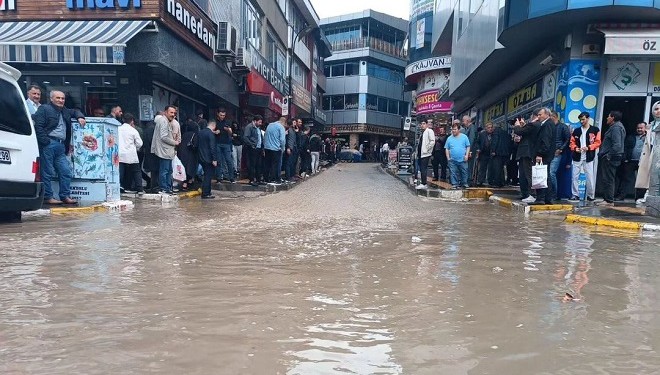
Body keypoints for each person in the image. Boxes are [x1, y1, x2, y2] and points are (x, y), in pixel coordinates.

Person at [33, 90, 86, 205]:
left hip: (61, 145)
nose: (61, 100)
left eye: (62, 98)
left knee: (65, 171)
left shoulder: (65, 111)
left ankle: (64, 196)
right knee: (47, 172)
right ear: (51, 99)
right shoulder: (44, 109)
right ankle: (48, 197)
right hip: (49, 143)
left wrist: (80, 117)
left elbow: (76, 111)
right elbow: (38, 127)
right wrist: (45, 141)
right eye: (58, 98)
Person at [568, 112, 601, 202]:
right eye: (580, 120)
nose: (581, 121)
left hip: (588, 156)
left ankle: (590, 195)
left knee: (590, 177)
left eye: (583, 119)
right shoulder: (576, 130)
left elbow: (598, 142)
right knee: (574, 176)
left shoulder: (595, 130)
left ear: (588, 119)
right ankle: (575, 195)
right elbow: (572, 142)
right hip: (577, 156)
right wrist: (575, 148)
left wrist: (589, 147)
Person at [598, 110, 626, 206]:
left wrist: (608, 155)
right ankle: (607, 199)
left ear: (613, 117)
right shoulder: (616, 127)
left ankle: (609, 200)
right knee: (607, 178)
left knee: (609, 178)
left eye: (608, 116)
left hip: (611, 157)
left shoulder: (616, 128)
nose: (607, 118)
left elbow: (617, 145)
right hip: (611, 156)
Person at [514, 109, 541, 203]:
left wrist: (517, 125)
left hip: (528, 153)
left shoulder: (534, 124)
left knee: (529, 174)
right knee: (523, 174)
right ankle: (526, 193)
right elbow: (525, 132)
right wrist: (523, 126)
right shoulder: (532, 125)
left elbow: (519, 131)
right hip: (524, 153)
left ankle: (532, 194)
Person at [151, 105, 180, 195]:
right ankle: (164, 188)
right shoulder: (163, 121)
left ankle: (167, 188)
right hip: (164, 151)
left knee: (168, 170)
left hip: (167, 151)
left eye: (174, 113)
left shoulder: (166, 121)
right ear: (165, 112)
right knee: (165, 171)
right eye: (171, 112)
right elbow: (164, 137)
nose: (173, 114)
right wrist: (175, 143)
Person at [636, 102, 660, 204]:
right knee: (650, 175)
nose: (658, 111)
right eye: (656, 109)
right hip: (651, 153)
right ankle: (648, 195)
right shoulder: (650, 125)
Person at [616, 122, 646, 200]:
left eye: (641, 128)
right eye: (638, 128)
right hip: (630, 161)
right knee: (625, 179)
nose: (639, 129)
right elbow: (625, 148)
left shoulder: (649, 138)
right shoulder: (631, 137)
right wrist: (625, 158)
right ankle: (621, 196)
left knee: (641, 180)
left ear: (645, 128)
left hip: (642, 162)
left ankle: (639, 198)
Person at [531, 107, 555, 205]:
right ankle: (547, 198)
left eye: (540, 114)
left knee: (542, 176)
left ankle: (541, 198)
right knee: (545, 176)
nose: (538, 116)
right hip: (546, 154)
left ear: (547, 115)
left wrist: (540, 154)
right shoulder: (546, 124)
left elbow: (545, 140)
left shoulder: (547, 124)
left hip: (544, 155)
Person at [118, 113, 144, 194]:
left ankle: (120, 186)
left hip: (120, 153)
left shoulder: (118, 129)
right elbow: (140, 143)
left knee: (120, 170)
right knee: (136, 171)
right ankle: (139, 188)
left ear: (123, 120)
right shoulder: (133, 130)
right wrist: (135, 148)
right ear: (132, 121)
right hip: (131, 153)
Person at [549, 110, 571, 200]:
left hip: (557, 152)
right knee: (549, 173)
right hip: (550, 152)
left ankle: (554, 194)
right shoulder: (550, 127)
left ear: (554, 117)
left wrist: (560, 149)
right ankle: (551, 193)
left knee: (551, 173)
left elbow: (568, 139)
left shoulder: (563, 127)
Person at [445, 123, 471, 189]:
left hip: (462, 158)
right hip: (452, 159)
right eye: (452, 129)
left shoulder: (464, 137)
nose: (453, 131)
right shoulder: (449, 138)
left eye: (455, 129)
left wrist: (466, 155)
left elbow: (468, 146)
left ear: (459, 129)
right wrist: (448, 157)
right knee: (453, 172)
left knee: (464, 171)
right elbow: (447, 148)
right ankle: (454, 184)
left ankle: (464, 183)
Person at [213, 107, 235, 183]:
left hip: (226, 144)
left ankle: (231, 178)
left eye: (223, 115)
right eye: (221, 115)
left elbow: (231, 133)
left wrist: (228, 130)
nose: (222, 116)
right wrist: (215, 132)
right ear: (218, 114)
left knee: (229, 161)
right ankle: (219, 178)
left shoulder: (227, 122)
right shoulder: (214, 122)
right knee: (219, 161)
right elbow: (210, 131)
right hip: (217, 143)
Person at [198, 121, 218, 199]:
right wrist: (214, 159)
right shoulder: (210, 134)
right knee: (208, 176)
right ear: (213, 126)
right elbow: (212, 147)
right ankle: (206, 193)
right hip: (208, 158)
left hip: (201, 157)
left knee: (206, 175)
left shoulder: (200, 132)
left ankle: (207, 192)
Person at [242, 115, 264, 186]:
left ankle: (258, 179)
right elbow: (245, 137)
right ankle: (251, 180)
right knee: (252, 165)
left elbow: (260, 138)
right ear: (255, 121)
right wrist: (252, 145)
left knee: (259, 165)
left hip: (259, 148)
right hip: (252, 149)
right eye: (259, 122)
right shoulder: (249, 127)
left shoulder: (258, 128)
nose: (260, 124)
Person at [142, 113, 161, 193]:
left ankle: (153, 186)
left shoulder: (150, 128)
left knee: (154, 171)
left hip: (150, 153)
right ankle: (154, 187)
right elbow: (152, 141)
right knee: (154, 171)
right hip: (153, 154)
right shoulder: (152, 129)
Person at [264, 117, 287, 184]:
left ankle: (266, 178)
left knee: (267, 164)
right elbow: (282, 140)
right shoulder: (281, 127)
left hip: (267, 148)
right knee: (275, 164)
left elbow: (266, 135)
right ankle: (273, 179)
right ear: (284, 122)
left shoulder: (270, 125)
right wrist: (283, 148)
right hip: (276, 149)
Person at [178, 120, 199, 191]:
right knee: (191, 169)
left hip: (183, 154)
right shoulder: (195, 135)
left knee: (185, 169)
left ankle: (184, 184)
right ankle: (189, 184)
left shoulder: (184, 134)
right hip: (191, 155)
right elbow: (196, 145)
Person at [416, 120, 436, 189]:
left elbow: (432, 141)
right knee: (422, 168)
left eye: (424, 123)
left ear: (427, 124)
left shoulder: (429, 131)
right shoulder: (423, 133)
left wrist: (427, 149)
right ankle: (423, 182)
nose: (422, 125)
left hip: (425, 153)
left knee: (423, 168)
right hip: (421, 153)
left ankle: (424, 183)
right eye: (421, 124)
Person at [475, 122, 495, 186]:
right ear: (486, 128)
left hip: (491, 153)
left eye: (491, 127)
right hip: (483, 152)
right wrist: (478, 149)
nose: (490, 129)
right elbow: (477, 142)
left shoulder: (494, 134)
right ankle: (480, 181)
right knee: (482, 168)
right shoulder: (482, 134)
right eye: (488, 128)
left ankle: (490, 181)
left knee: (491, 168)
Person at [460, 115, 478, 185]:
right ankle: (466, 179)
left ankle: (469, 180)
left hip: (470, 150)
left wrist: (469, 151)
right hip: (468, 150)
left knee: (469, 165)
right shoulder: (468, 128)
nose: (463, 122)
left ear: (467, 121)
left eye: (463, 121)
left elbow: (471, 139)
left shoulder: (472, 128)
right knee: (467, 165)